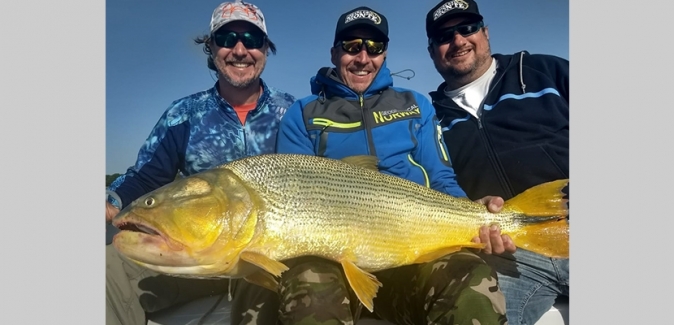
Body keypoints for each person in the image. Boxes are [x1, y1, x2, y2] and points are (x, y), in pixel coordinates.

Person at [229, 6, 511, 325]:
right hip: (334, 271)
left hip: (417, 260)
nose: (363, 57)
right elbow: (290, 191)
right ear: (335, 53)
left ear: (384, 54)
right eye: (352, 46)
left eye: (374, 47)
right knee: (309, 284)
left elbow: (442, 180)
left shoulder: (415, 105)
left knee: (470, 277)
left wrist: (475, 216)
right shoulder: (302, 113)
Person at [105, 1, 296, 324]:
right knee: (106, 268)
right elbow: (145, 177)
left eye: (251, 39)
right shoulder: (183, 114)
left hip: (269, 257)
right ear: (211, 48)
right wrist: (110, 201)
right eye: (226, 39)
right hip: (192, 256)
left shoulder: (293, 113)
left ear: (265, 49)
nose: (239, 49)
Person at [424, 0, 569, 324]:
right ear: (432, 51)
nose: (458, 40)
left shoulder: (546, 72)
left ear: (485, 32)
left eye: (467, 28)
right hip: (507, 255)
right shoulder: (425, 115)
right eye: (445, 36)